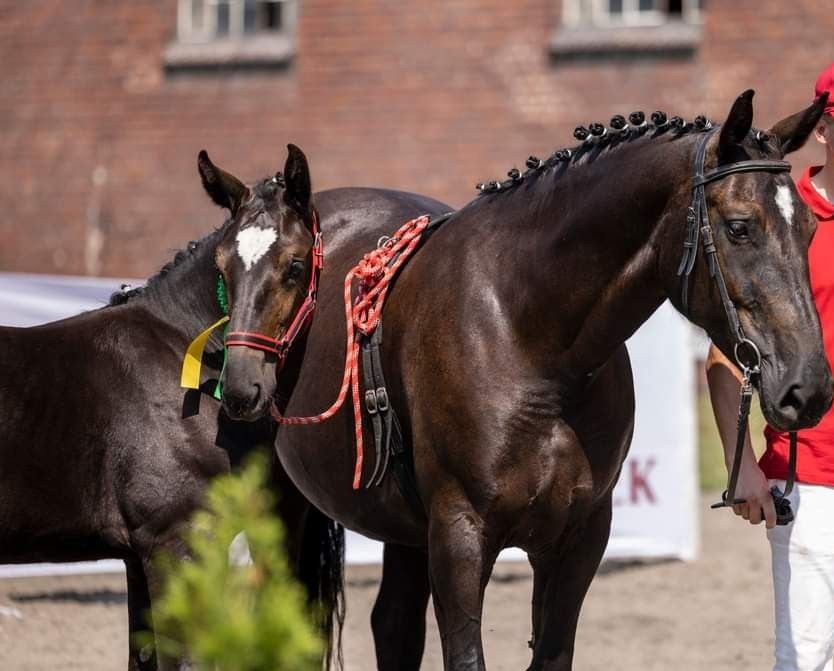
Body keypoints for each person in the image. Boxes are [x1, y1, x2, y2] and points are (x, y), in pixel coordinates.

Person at [707, 63, 834, 671]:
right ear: (824, 130)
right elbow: (722, 362)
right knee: (808, 658)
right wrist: (743, 471)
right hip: (813, 478)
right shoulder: (782, 223)